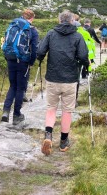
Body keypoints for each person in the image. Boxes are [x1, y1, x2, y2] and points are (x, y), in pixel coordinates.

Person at [37, 10, 89, 155]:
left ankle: (48, 136)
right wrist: (86, 65)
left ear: (59, 20)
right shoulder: (77, 36)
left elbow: (40, 51)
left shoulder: (51, 33)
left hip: (53, 78)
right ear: (72, 21)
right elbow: (83, 55)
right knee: (67, 110)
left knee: (51, 108)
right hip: (70, 80)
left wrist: (40, 59)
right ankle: (63, 142)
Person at [1, 9, 39, 125]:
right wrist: (31, 62)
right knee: (20, 88)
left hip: (10, 59)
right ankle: (17, 114)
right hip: (23, 62)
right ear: (32, 18)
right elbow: (35, 49)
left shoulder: (12, 25)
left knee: (12, 85)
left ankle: (6, 111)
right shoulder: (32, 30)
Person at [73, 14, 95, 79]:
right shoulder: (85, 31)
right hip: (83, 52)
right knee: (83, 65)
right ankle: (85, 75)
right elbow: (90, 43)